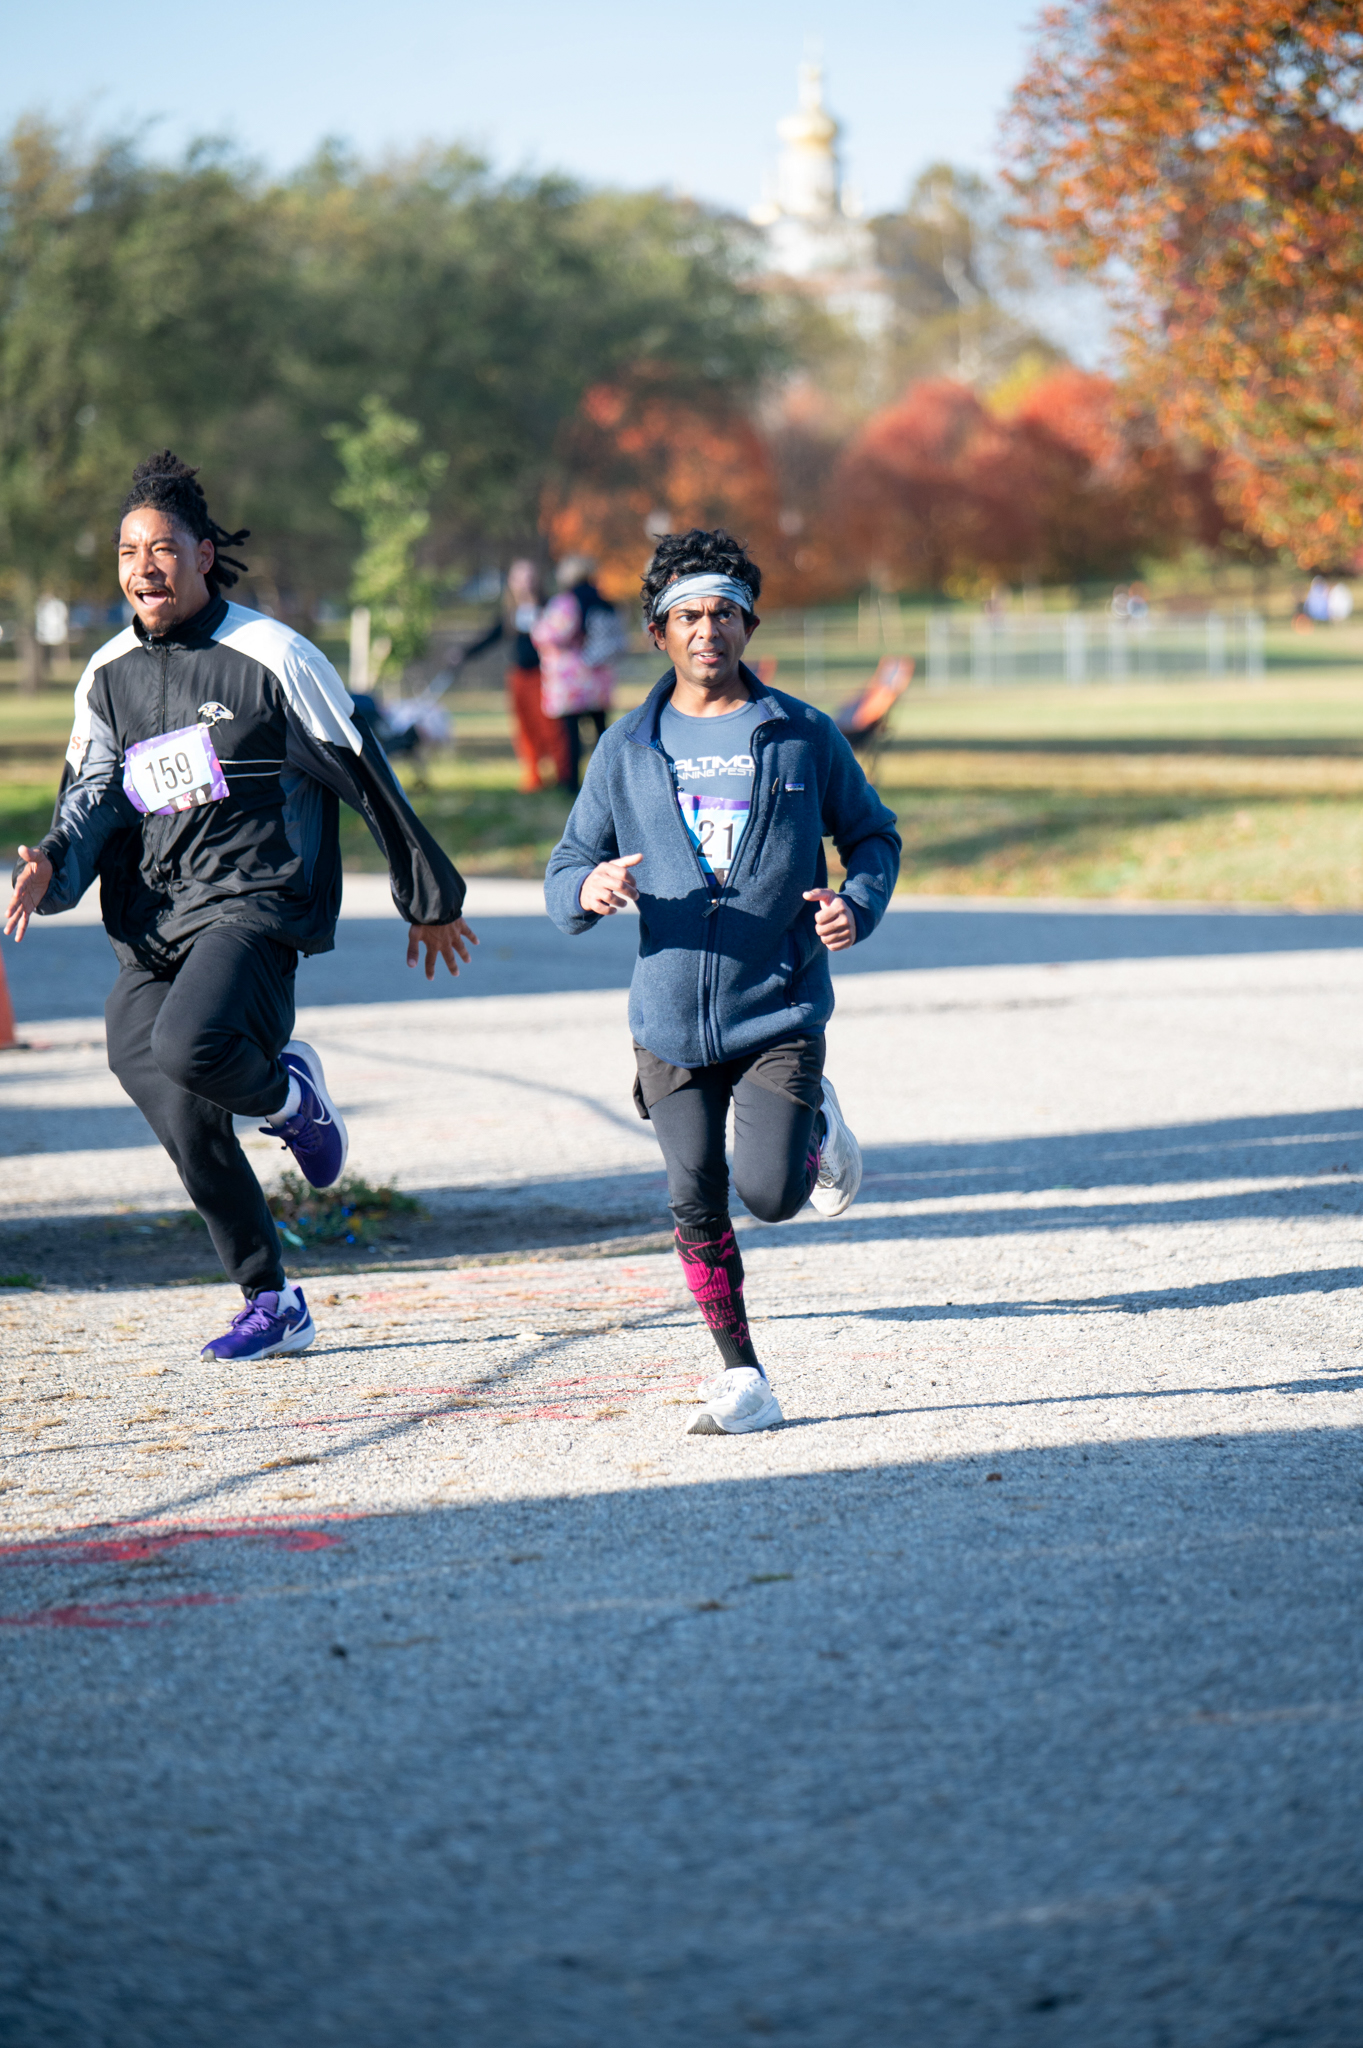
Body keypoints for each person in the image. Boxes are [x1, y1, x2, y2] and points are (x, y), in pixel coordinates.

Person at [3, 451, 476, 1363]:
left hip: (254, 903)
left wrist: (429, 896)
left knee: (193, 1047)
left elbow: (363, 770)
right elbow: (92, 792)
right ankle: (273, 1297)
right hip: (151, 918)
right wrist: (53, 866)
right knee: (177, 1110)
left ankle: (289, 1095)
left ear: (206, 554)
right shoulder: (105, 673)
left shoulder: (273, 657)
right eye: (129, 550)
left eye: (166, 548)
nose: (146, 566)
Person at [545, 528, 900, 1436]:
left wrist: (855, 904)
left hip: (774, 1010)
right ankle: (742, 1374)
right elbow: (566, 868)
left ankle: (814, 1117)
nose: (708, 630)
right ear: (658, 632)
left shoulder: (800, 735)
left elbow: (872, 836)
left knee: (772, 1196)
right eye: (688, 616)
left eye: (724, 613)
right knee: (690, 1193)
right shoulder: (625, 748)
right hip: (665, 1019)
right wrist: (586, 888)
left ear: (747, 624)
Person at [457, 560, 568, 791]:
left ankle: (561, 773)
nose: (524, 584)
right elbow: (491, 636)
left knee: (551, 727)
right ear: (511, 583)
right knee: (525, 727)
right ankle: (533, 775)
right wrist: (464, 653)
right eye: (519, 579)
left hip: (544, 675)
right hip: (519, 676)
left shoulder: (548, 607)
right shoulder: (510, 611)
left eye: (528, 578)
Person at [533, 555, 623, 792]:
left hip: (571, 680)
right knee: (602, 733)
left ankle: (571, 784)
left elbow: (548, 634)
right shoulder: (604, 602)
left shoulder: (566, 603)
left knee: (570, 736)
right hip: (599, 679)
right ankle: (608, 782)